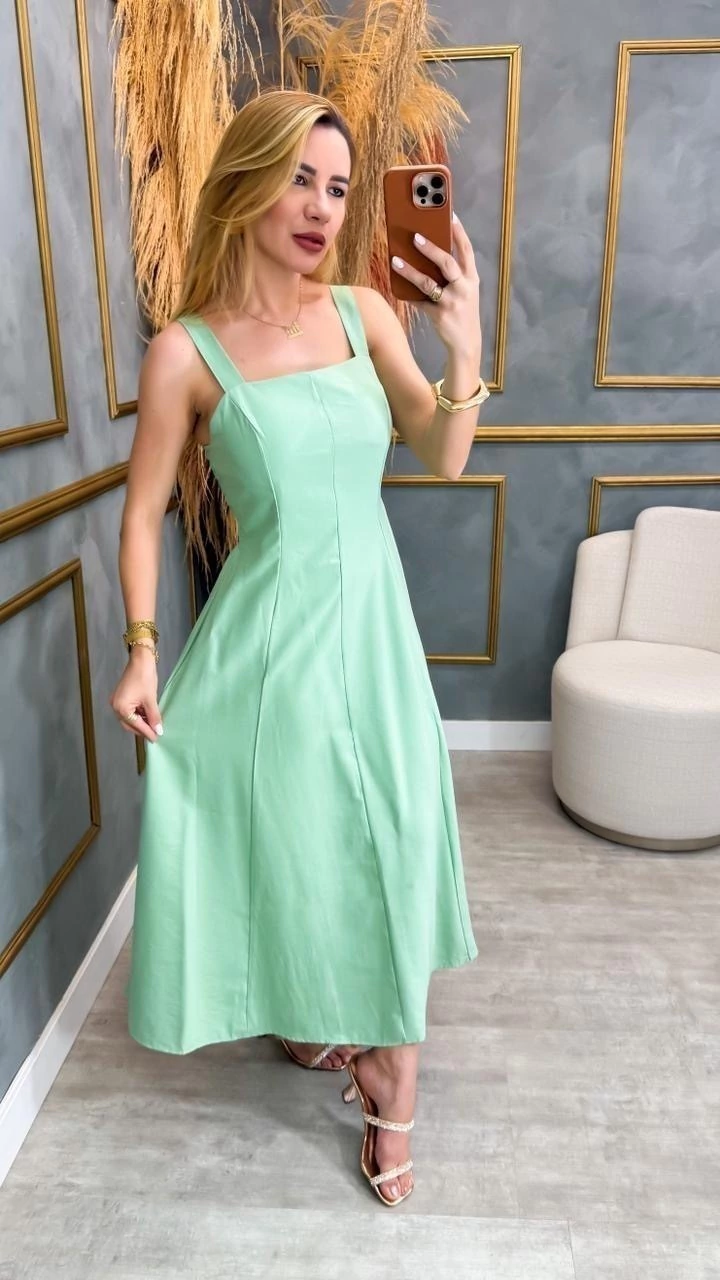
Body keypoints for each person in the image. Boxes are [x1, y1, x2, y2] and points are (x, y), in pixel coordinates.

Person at [110, 88, 485, 1207]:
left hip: (372, 627)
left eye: (338, 186)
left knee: (399, 830)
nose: (322, 206)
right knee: (299, 834)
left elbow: (442, 450)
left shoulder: (365, 313)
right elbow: (142, 512)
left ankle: (390, 1062)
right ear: (248, 182)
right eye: (299, 179)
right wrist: (141, 649)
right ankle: (335, 1026)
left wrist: (464, 342)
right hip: (269, 642)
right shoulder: (186, 352)